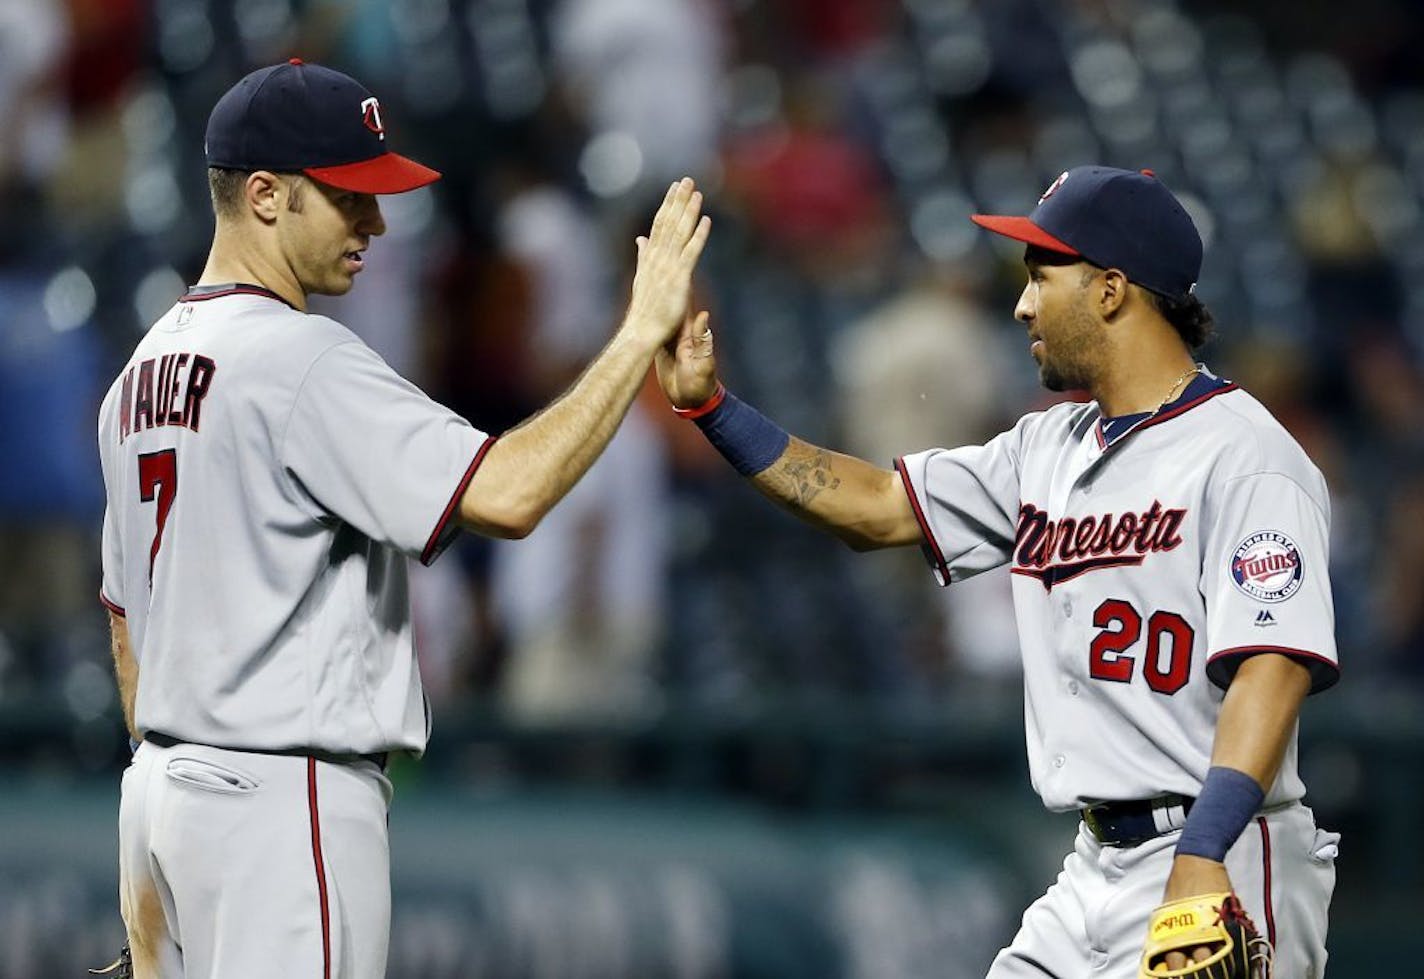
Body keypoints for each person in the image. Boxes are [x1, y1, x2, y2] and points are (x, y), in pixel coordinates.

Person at [96, 59, 709, 977]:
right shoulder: (297, 357)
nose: (375, 223)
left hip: (162, 800)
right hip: (281, 798)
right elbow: (508, 494)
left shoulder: (137, 376)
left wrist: (173, 782)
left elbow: (122, 619)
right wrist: (635, 332)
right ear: (265, 195)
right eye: (348, 197)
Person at [656, 166, 1338, 977]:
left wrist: (1203, 850)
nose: (1021, 305)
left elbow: (1273, 666)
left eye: (1041, 276)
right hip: (1094, 863)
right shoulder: (1044, 447)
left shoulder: (1246, 455)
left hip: (1219, 850)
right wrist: (711, 408)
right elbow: (877, 506)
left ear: (1112, 289)